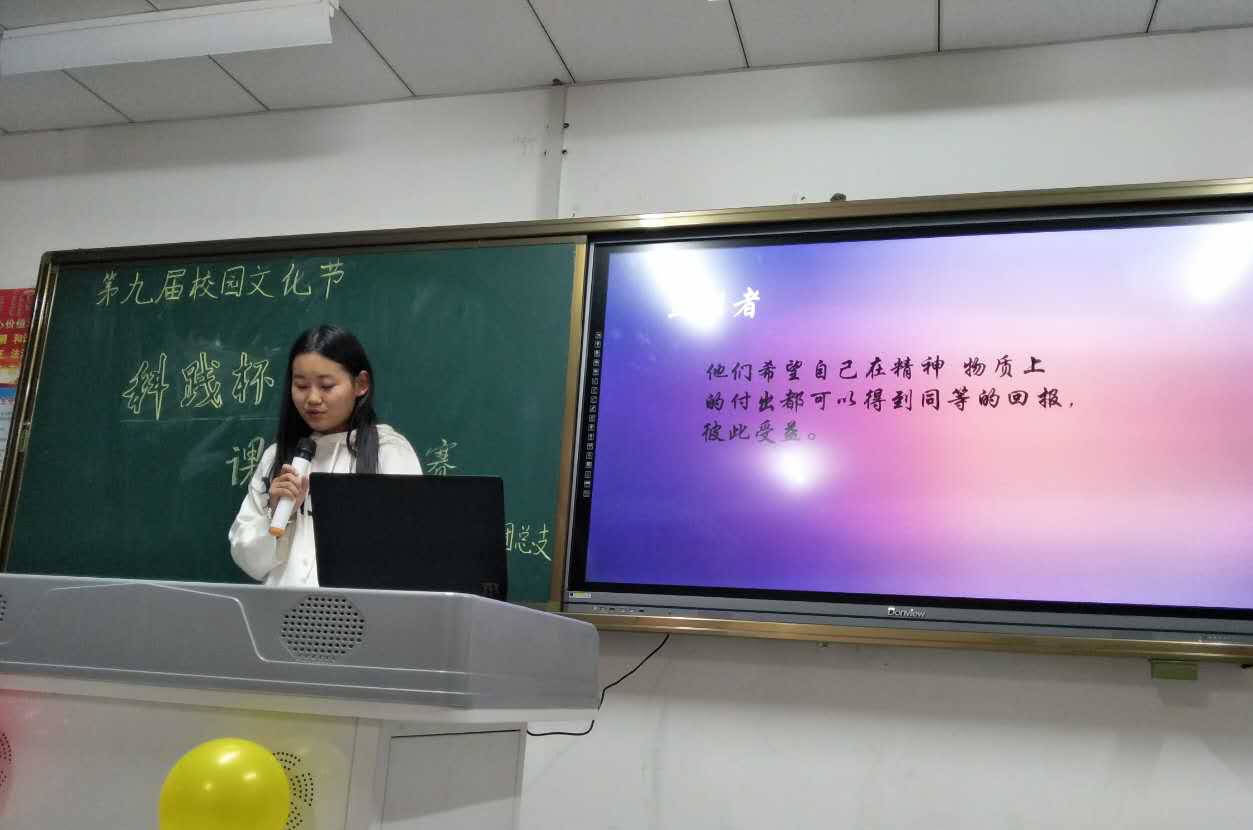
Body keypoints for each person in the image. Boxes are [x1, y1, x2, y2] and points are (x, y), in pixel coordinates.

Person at [229, 325, 422, 586]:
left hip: (360, 608)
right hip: (279, 608)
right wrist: (276, 516)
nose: (312, 398)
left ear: (361, 384)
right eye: (301, 385)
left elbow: (411, 551)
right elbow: (249, 561)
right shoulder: (277, 456)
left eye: (326, 385)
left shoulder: (388, 451)